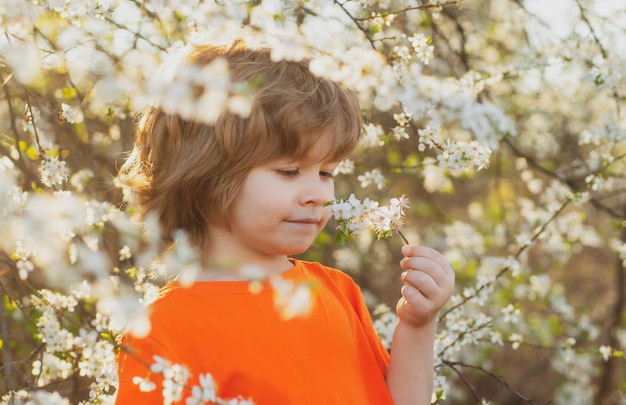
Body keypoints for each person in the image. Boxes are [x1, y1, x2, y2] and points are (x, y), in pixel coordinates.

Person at [115, 40, 455, 405]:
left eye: (326, 173)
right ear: (206, 175)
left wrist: (417, 325)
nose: (318, 194)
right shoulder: (164, 331)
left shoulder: (336, 291)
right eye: (289, 171)